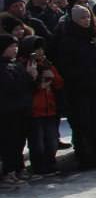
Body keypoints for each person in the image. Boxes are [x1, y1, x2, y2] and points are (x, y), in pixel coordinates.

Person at [55, 4, 96, 169]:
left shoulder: (95, 35)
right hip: (79, 89)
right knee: (83, 123)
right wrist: (82, 74)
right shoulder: (68, 40)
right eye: (82, 18)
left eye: (88, 17)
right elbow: (66, 66)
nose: (86, 21)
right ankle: (85, 157)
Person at [21, 36, 62, 175]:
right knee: (37, 143)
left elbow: (59, 83)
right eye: (36, 49)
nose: (40, 52)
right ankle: (39, 167)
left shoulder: (47, 64)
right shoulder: (24, 66)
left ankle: (51, 164)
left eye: (41, 49)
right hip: (34, 110)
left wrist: (52, 76)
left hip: (50, 108)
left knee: (52, 140)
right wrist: (35, 80)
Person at [0, 33, 35, 185]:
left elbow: (26, 86)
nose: (15, 49)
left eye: (16, 46)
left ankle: (19, 169)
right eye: (11, 47)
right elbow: (10, 87)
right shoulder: (3, 66)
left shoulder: (16, 64)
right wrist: (28, 76)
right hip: (7, 111)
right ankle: (9, 172)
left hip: (21, 108)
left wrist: (32, 77)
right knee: (9, 142)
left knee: (19, 141)